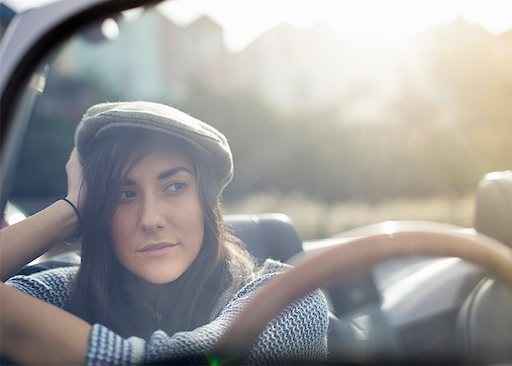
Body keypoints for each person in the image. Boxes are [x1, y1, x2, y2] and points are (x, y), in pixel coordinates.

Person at [0, 101, 328, 365]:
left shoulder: (291, 299)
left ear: (207, 199)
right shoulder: (63, 291)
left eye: (174, 186)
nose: (151, 219)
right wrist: (72, 211)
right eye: (123, 194)